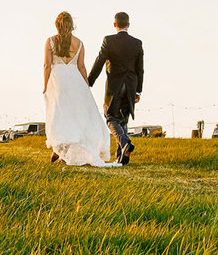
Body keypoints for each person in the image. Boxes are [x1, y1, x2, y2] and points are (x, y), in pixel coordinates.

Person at [43, 12, 118, 167]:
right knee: (75, 115)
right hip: (75, 80)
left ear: (57, 25)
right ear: (72, 25)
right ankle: (63, 151)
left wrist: (45, 85)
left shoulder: (50, 41)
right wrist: (86, 86)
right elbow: (81, 66)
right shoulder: (79, 43)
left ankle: (59, 149)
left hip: (57, 79)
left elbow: (46, 65)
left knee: (59, 114)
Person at [89, 12, 144, 166]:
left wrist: (89, 81)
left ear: (115, 24)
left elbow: (99, 62)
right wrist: (138, 91)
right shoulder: (137, 43)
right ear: (128, 24)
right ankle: (121, 157)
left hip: (114, 86)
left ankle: (125, 142)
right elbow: (140, 69)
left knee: (110, 117)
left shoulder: (109, 41)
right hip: (131, 86)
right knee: (123, 119)